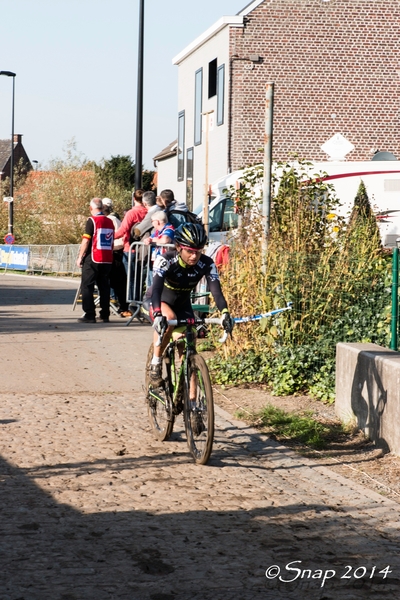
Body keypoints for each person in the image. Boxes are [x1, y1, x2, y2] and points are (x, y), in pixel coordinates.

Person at [145, 222, 234, 386]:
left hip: (182, 304)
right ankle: (156, 363)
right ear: (178, 247)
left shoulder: (207, 264)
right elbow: (156, 288)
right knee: (168, 318)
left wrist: (225, 313)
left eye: (198, 251)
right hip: (159, 300)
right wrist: (158, 313)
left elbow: (216, 292)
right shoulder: (165, 260)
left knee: (189, 346)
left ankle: (191, 402)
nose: (194, 256)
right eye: (190, 251)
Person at [76, 198, 114, 323]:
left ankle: (89, 314)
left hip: (93, 257)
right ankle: (105, 314)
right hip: (107, 258)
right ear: (102, 207)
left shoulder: (92, 220)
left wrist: (80, 257)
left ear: (90, 208)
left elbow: (86, 240)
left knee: (87, 285)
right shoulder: (109, 221)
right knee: (104, 287)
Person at [114, 189, 147, 302]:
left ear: (134, 199)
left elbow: (123, 230)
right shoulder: (148, 212)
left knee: (130, 278)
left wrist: (108, 236)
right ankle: (138, 300)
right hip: (144, 249)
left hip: (130, 248)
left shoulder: (131, 213)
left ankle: (131, 302)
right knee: (140, 278)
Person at [102, 198, 131, 317]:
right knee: (112, 282)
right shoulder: (109, 219)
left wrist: (110, 245)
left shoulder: (112, 220)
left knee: (118, 282)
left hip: (116, 252)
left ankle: (123, 306)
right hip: (110, 252)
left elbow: (119, 237)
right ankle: (117, 304)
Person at [144, 211, 175, 287]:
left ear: (157, 222)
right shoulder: (158, 231)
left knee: (160, 286)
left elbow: (165, 240)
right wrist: (148, 239)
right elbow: (150, 238)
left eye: (152, 221)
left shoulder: (169, 228)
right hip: (156, 262)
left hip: (165, 263)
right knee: (151, 285)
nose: (152, 223)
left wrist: (152, 240)